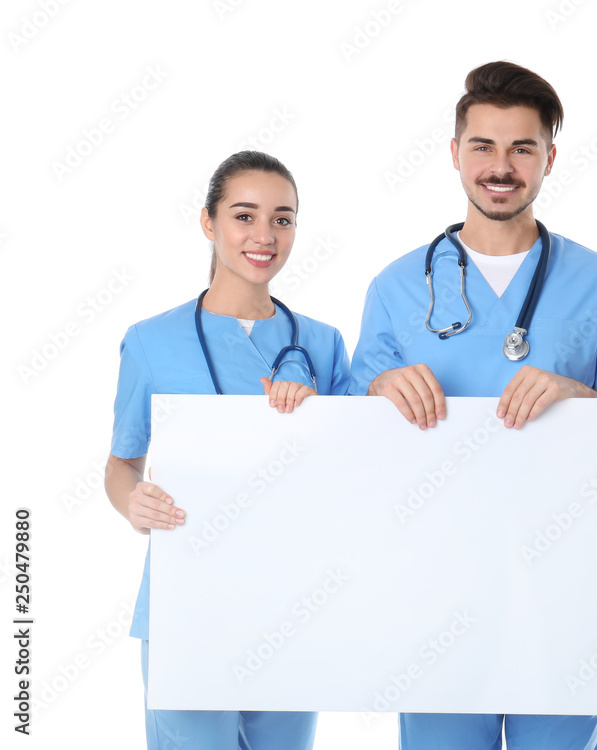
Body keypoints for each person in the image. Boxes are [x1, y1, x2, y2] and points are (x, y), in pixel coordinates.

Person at [351, 61, 597, 750]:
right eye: (483, 146)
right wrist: (374, 392)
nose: (501, 165)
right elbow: (347, 452)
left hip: (566, 590)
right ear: (455, 154)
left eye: (522, 147)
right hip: (434, 593)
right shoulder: (398, 286)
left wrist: (582, 396)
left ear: (550, 158)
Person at [104, 150, 351, 748]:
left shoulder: (321, 343)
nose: (264, 236)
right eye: (245, 215)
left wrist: (317, 418)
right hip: (186, 605)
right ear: (209, 223)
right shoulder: (150, 341)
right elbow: (122, 462)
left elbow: (356, 469)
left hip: (293, 604)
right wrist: (132, 502)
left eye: (283, 219)